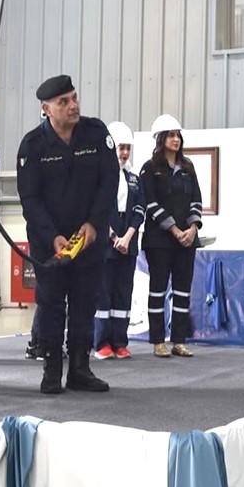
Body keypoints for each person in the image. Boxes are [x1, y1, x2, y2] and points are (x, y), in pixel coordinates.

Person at [16, 75, 115, 394]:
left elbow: (109, 183)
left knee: (86, 303)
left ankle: (80, 368)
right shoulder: (32, 145)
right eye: (63, 102)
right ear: (46, 109)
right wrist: (53, 236)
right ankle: (51, 369)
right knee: (51, 304)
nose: (73, 106)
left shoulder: (97, 133)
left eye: (74, 98)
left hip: (89, 238)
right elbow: (29, 198)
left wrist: (94, 224)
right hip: (50, 245)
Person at [139, 113, 203, 358]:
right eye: (171, 136)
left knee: (182, 291)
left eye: (178, 135)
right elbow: (151, 204)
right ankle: (158, 341)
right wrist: (174, 230)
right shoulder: (150, 168)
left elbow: (196, 200)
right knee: (157, 290)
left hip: (187, 241)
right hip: (159, 242)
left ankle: (178, 340)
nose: (176, 140)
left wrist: (192, 228)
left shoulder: (188, 167)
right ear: (161, 139)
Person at [94, 121, 145, 360]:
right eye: (120, 148)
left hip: (129, 243)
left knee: (123, 292)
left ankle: (119, 341)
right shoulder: (99, 177)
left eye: (128, 148)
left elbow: (140, 210)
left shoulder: (134, 178)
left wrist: (127, 237)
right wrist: (114, 236)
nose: (124, 153)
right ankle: (101, 342)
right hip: (106, 244)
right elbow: (97, 210)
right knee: (103, 292)